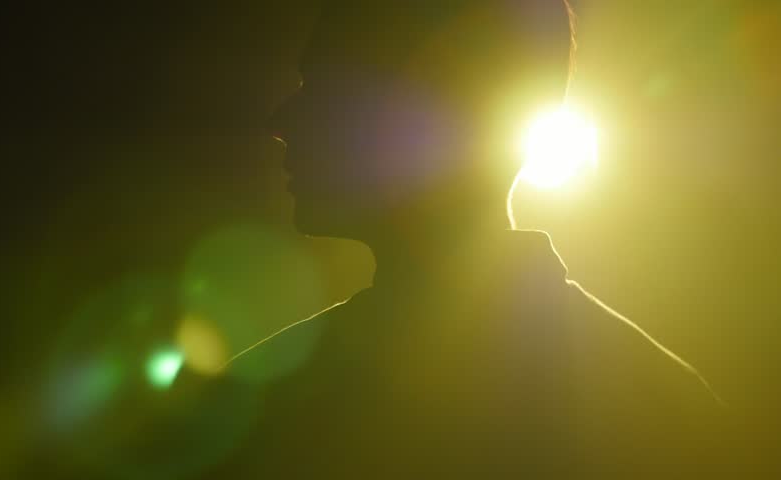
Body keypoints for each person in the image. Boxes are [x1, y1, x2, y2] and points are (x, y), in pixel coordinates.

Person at [209, 1, 728, 477]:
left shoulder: (256, 412)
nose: (281, 122)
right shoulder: (663, 404)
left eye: (319, 89)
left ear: (422, 112)